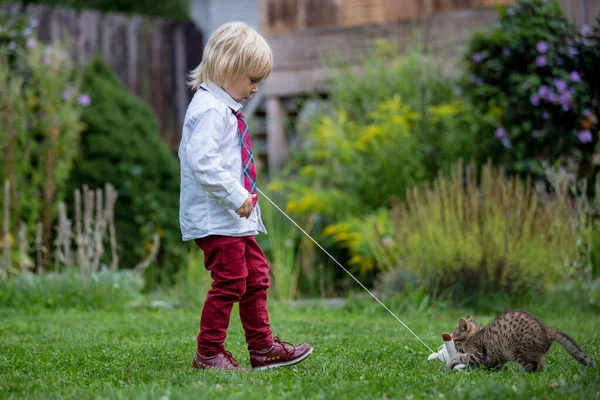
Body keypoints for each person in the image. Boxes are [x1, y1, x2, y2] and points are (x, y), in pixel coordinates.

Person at [178, 21, 313, 371]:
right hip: (216, 217)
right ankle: (208, 353)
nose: (256, 89)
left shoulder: (224, 109)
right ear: (227, 68)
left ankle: (263, 348)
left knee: (256, 275)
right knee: (232, 280)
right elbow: (201, 161)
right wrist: (237, 193)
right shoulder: (209, 110)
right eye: (252, 80)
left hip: (233, 217)